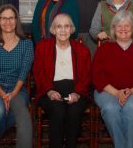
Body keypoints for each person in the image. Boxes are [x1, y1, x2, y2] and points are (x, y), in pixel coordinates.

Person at [92, 10, 133, 148]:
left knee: (132, 107)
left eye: (127, 26)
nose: (123, 29)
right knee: (111, 108)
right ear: (113, 29)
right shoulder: (104, 49)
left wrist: (131, 91)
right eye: (119, 25)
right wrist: (116, 93)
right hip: (107, 91)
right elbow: (97, 76)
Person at [0, 4, 33, 148]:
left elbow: (23, 73)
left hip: (17, 88)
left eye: (11, 18)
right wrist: (3, 95)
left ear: (16, 21)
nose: (8, 22)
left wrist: (13, 93)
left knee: (18, 115)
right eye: (4, 18)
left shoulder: (26, 44)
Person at [33, 13, 91, 148]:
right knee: (57, 111)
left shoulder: (82, 50)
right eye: (59, 26)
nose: (63, 30)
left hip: (76, 88)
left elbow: (87, 75)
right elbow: (38, 72)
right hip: (49, 88)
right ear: (53, 30)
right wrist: (49, 91)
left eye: (67, 26)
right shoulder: (42, 47)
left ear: (72, 29)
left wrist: (77, 93)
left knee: (74, 111)